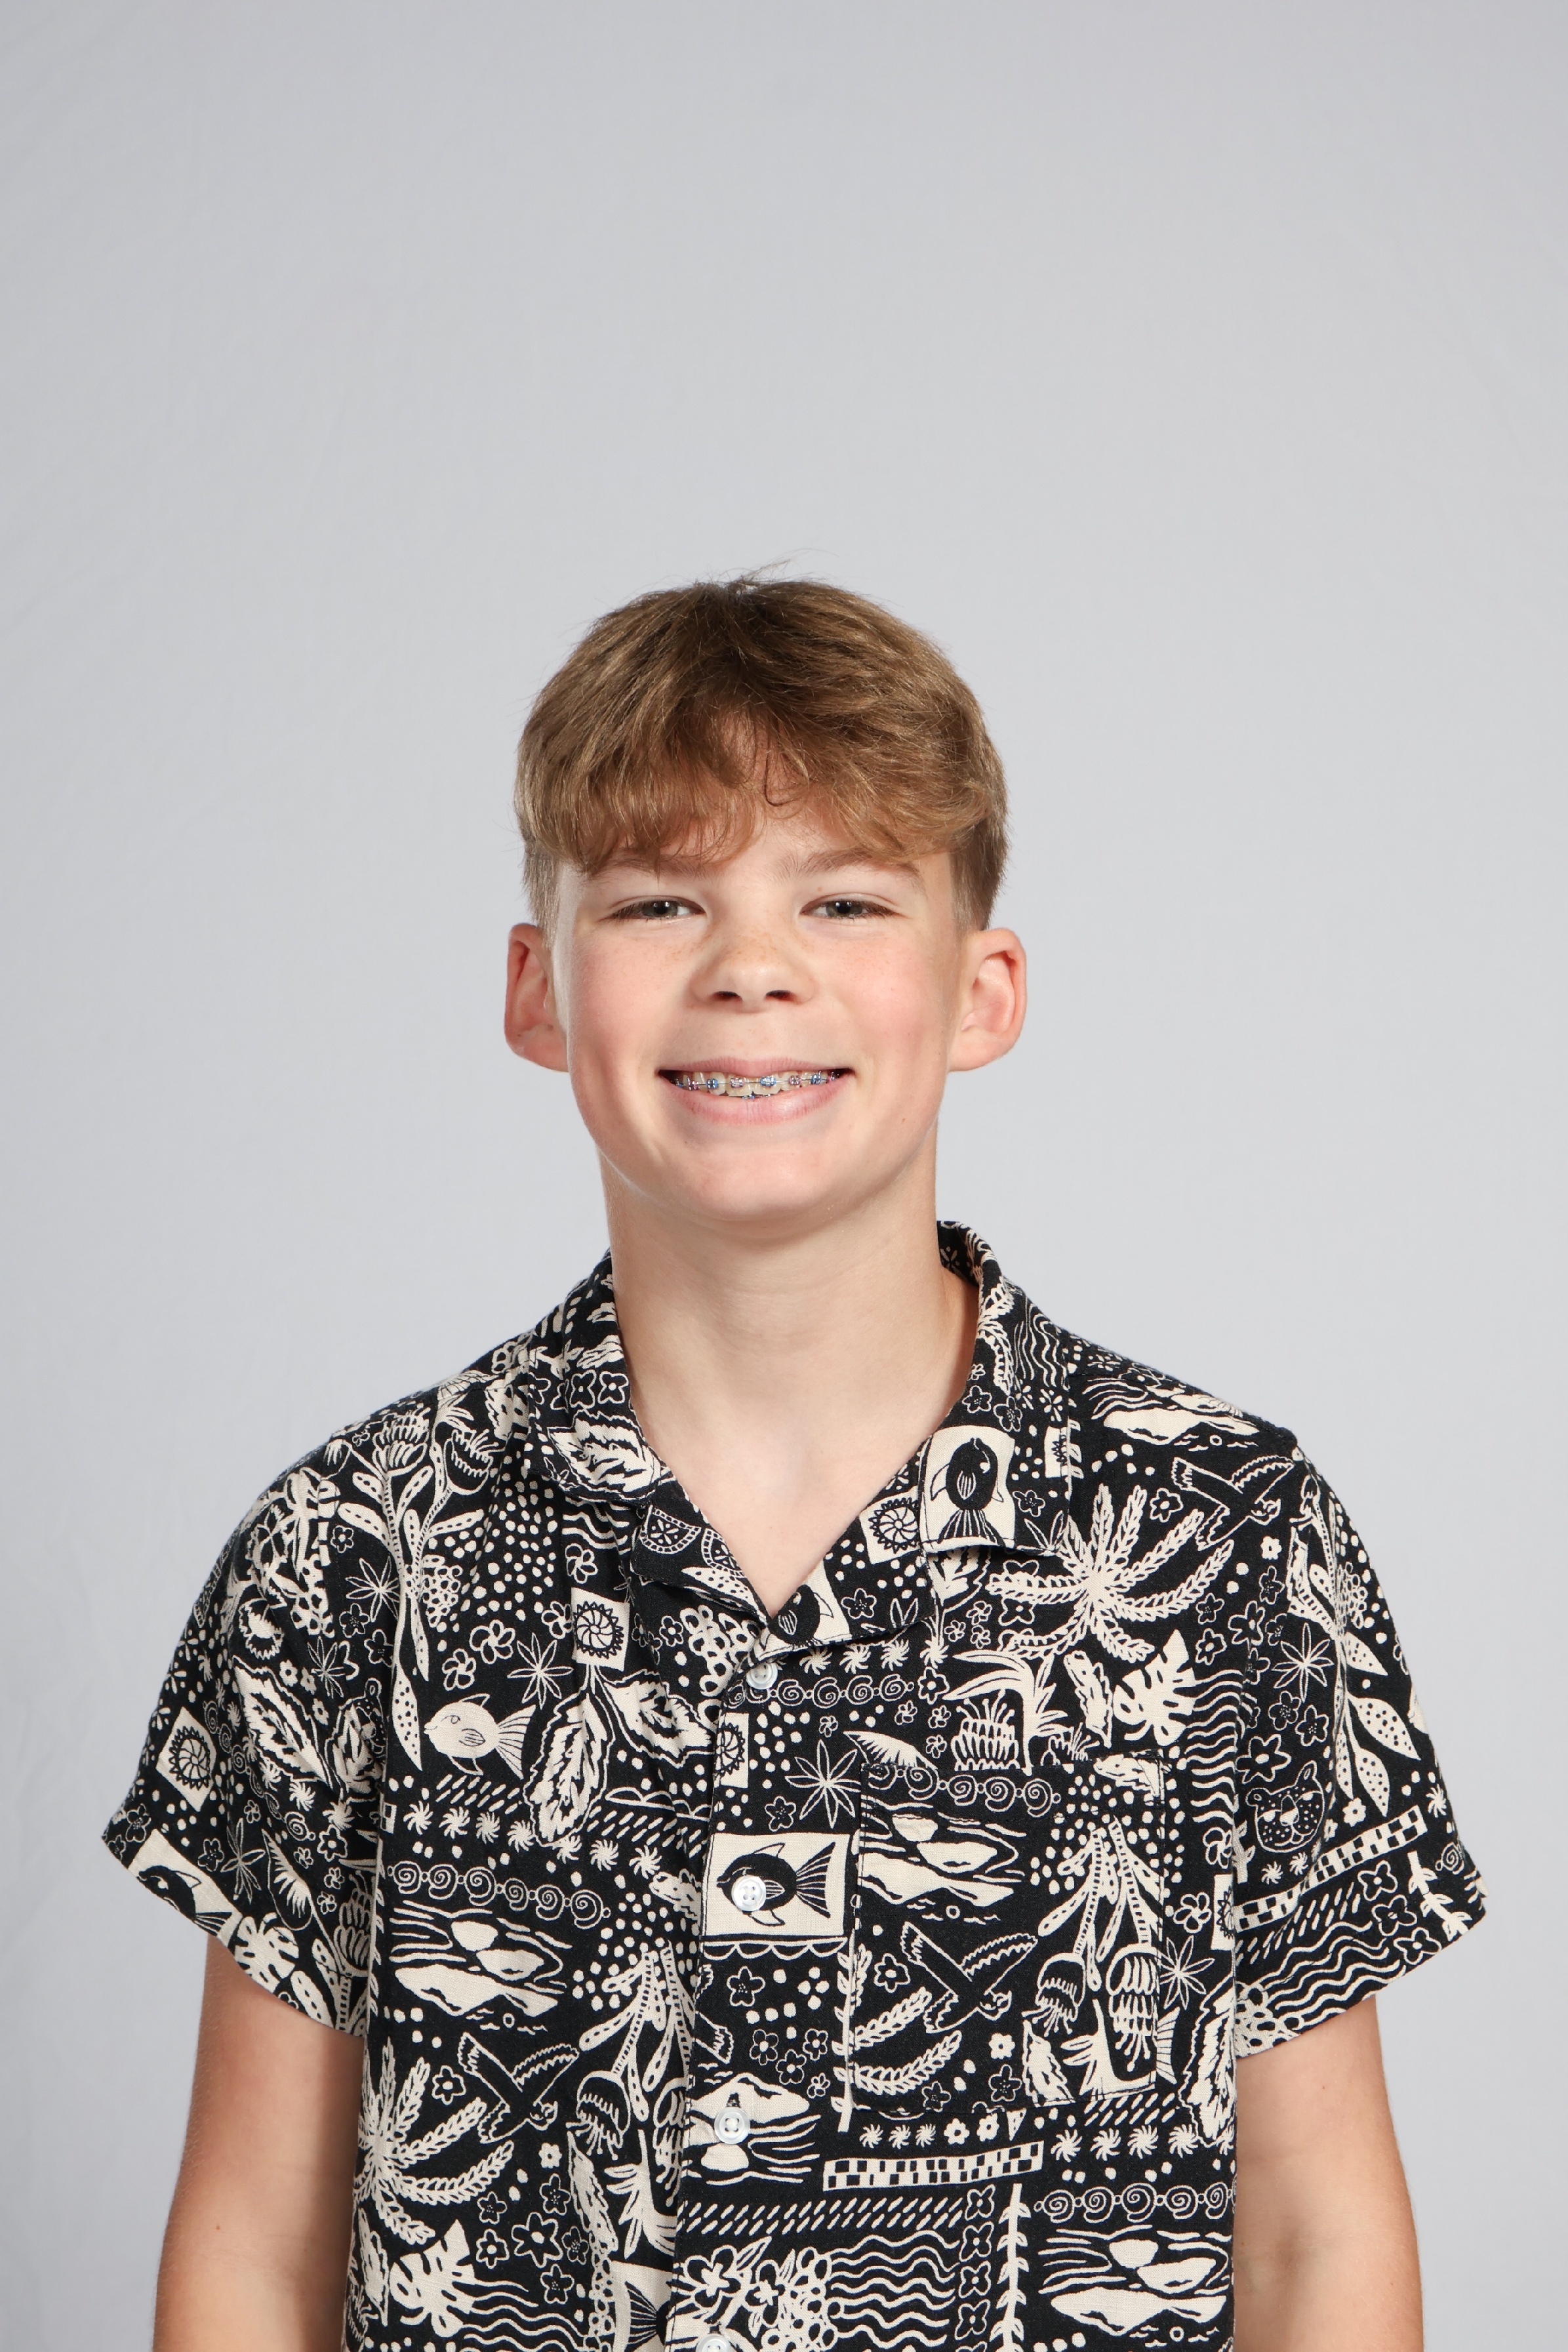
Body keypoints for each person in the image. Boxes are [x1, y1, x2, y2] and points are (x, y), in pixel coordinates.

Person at [107, 577, 1483, 2352]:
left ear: (981, 989)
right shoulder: (354, 1551)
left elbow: (1319, 2238)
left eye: (843, 898)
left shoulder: (1225, 1536)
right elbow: (252, 2246)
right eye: (658, 900)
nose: (752, 964)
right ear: (536, 989)